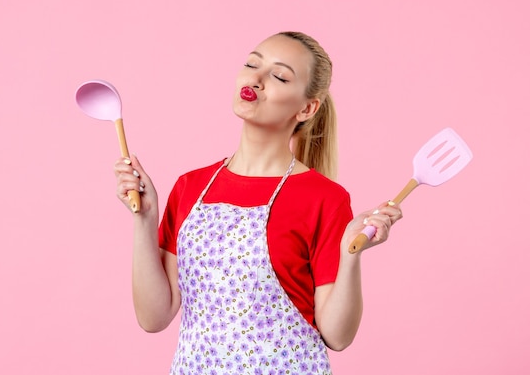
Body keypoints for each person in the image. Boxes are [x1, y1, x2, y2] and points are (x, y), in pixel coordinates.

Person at [113, 31, 402, 375]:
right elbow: (153, 316)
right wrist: (144, 221)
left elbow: (337, 336)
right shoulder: (190, 187)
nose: (256, 78)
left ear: (307, 108)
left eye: (279, 76)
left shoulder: (323, 198)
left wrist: (350, 256)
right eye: (252, 64)